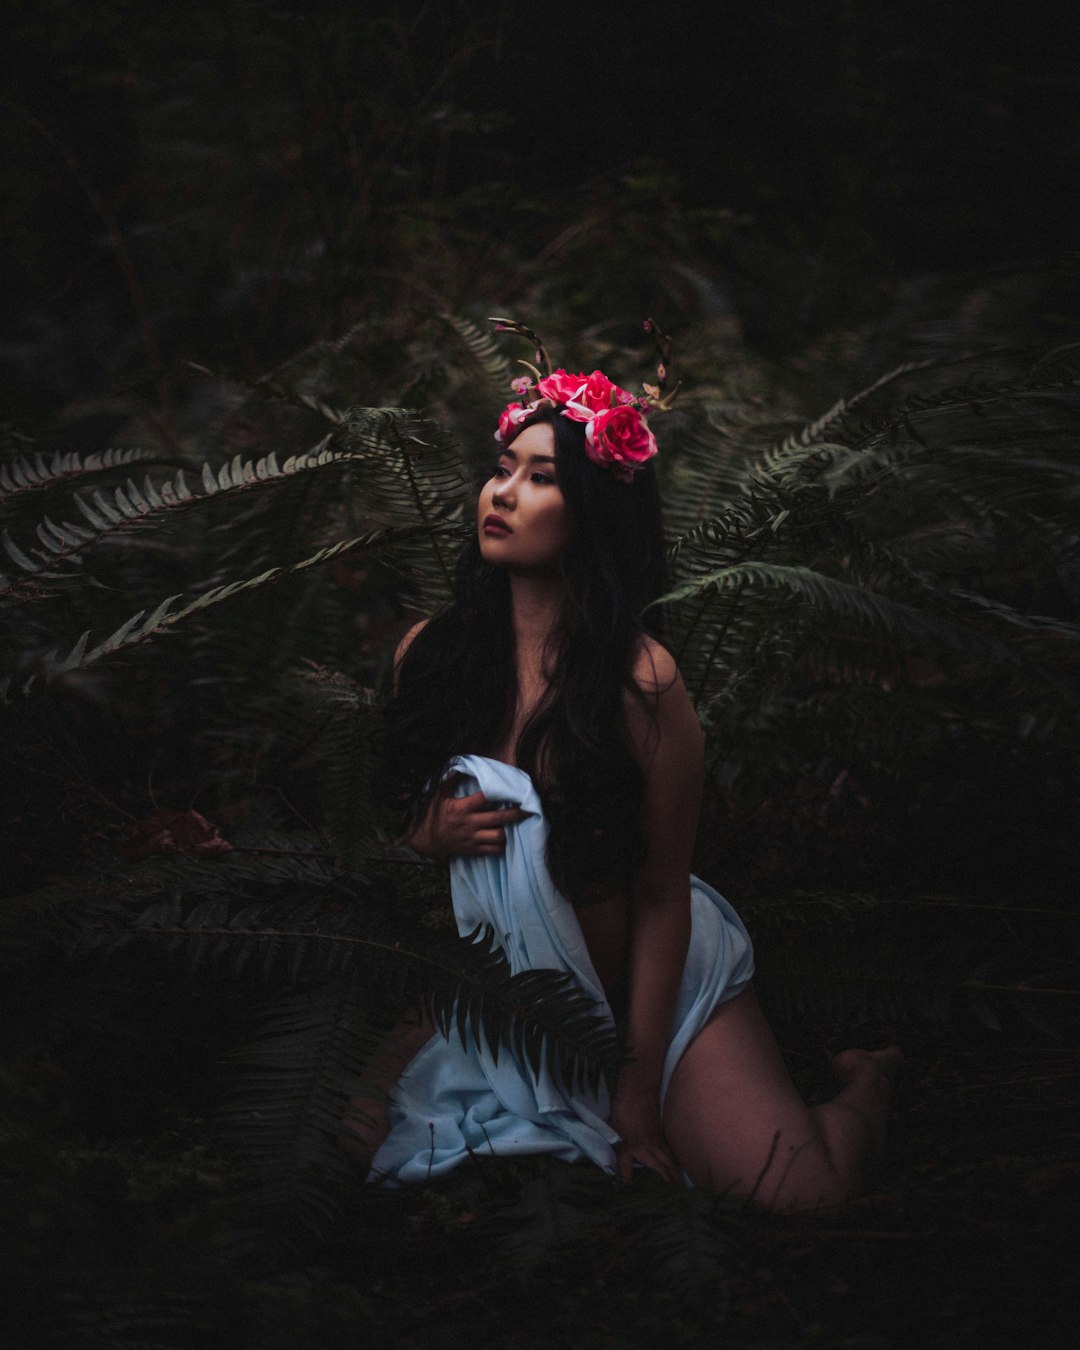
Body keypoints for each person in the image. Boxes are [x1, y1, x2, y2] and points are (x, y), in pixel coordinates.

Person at [348, 351, 900, 1211]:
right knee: (344, 1145)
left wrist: (636, 1098)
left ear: (594, 513)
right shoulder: (433, 656)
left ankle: (863, 1087)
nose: (502, 493)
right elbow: (385, 835)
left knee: (805, 1198)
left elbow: (660, 896)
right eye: (501, 470)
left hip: (653, 984)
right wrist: (429, 833)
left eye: (540, 479)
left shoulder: (640, 682)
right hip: (513, 991)